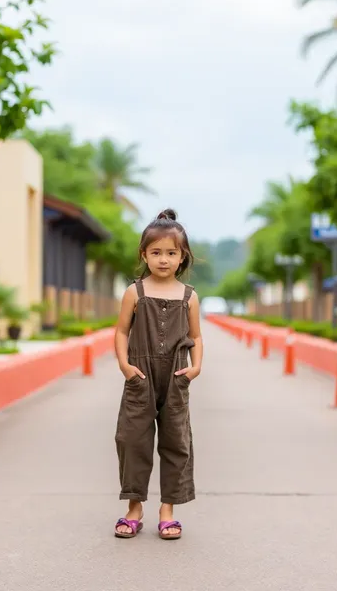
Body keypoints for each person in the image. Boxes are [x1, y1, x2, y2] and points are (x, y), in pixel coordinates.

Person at [114, 208, 203, 540]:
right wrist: (125, 365)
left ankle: (168, 510)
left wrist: (196, 366)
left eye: (171, 252)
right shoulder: (133, 293)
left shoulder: (189, 296)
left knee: (175, 441)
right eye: (156, 252)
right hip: (140, 374)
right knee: (131, 439)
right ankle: (134, 508)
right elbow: (122, 331)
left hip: (176, 376)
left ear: (182, 257)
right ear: (144, 254)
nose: (163, 259)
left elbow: (196, 336)